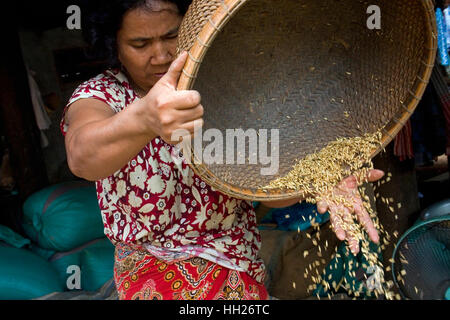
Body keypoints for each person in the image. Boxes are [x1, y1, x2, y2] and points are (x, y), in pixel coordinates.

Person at [61, 0, 384, 300]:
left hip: (238, 268)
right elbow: (82, 157)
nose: (160, 55)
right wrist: (143, 118)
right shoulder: (102, 95)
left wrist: (312, 180)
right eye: (140, 44)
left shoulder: (224, 88)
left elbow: (271, 190)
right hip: (152, 276)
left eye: (171, 36)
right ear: (114, 45)